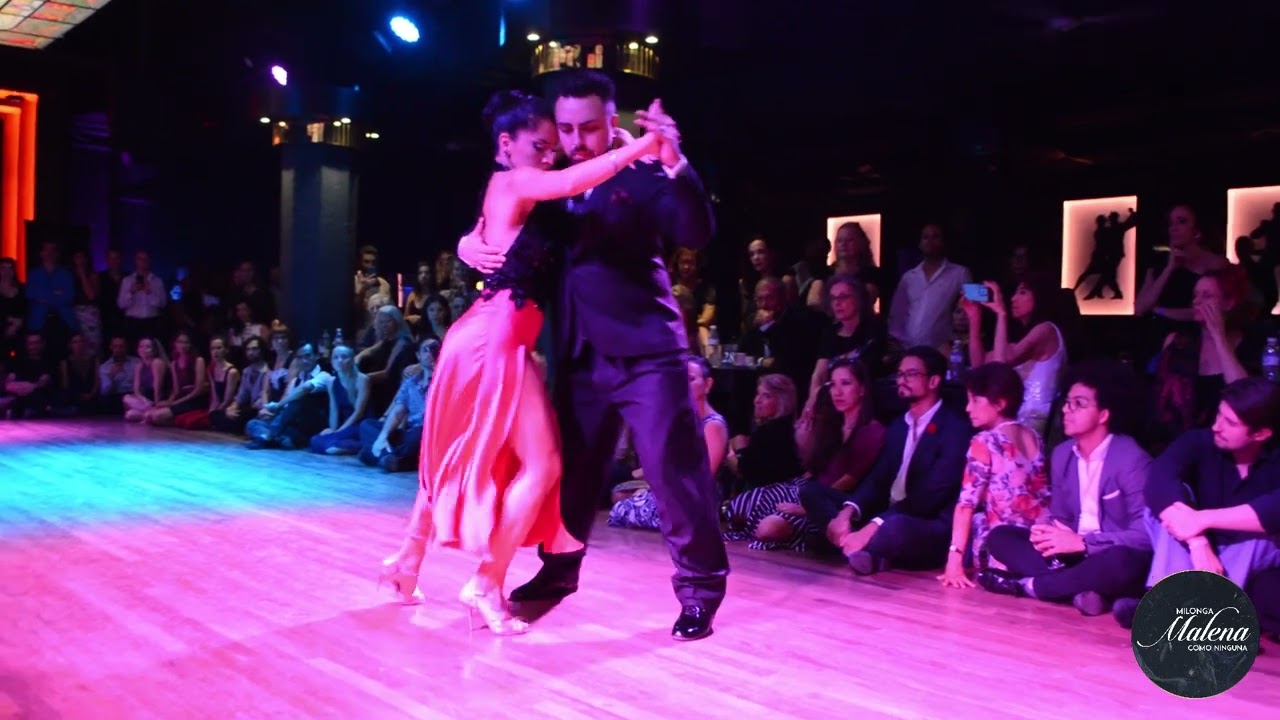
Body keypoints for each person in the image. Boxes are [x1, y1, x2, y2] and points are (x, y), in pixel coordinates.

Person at [379, 89, 670, 635]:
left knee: (462, 455)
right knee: (541, 466)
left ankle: (406, 563)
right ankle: (486, 583)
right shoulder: (517, 179)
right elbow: (570, 182)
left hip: (497, 337)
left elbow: (532, 211)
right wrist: (644, 144)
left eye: (553, 144)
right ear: (506, 146)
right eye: (541, 143)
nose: (552, 152)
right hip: (494, 339)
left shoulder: (522, 190)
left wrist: (469, 241)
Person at [458, 71, 729, 641]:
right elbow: (497, 218)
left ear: (614, 123)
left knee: (673, 475)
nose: (576, 139)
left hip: (646, 353)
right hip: (578, 356)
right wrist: (466, 243)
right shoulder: (549, 180)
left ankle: (700, 592)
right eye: (566, 128)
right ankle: (558, 573)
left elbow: (695, 231)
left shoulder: (644, 168)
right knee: (572, 477)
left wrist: (677, 162)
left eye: (588, 127)